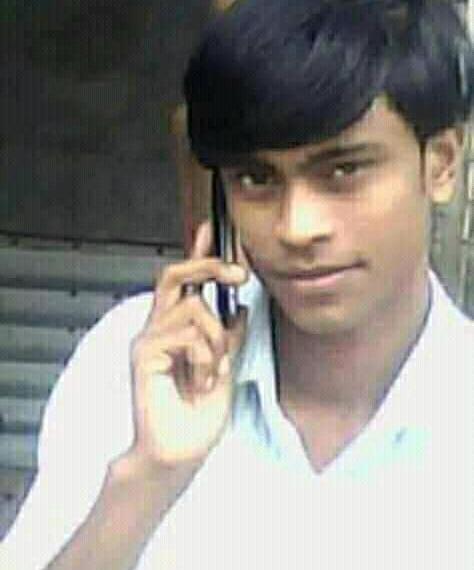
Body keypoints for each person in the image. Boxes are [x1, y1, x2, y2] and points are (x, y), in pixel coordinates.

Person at [1, 0, 473, 568]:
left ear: (442, 164)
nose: (296, 227)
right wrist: (149, 477)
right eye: (256, 178)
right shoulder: (132, 363)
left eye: (343, 171)